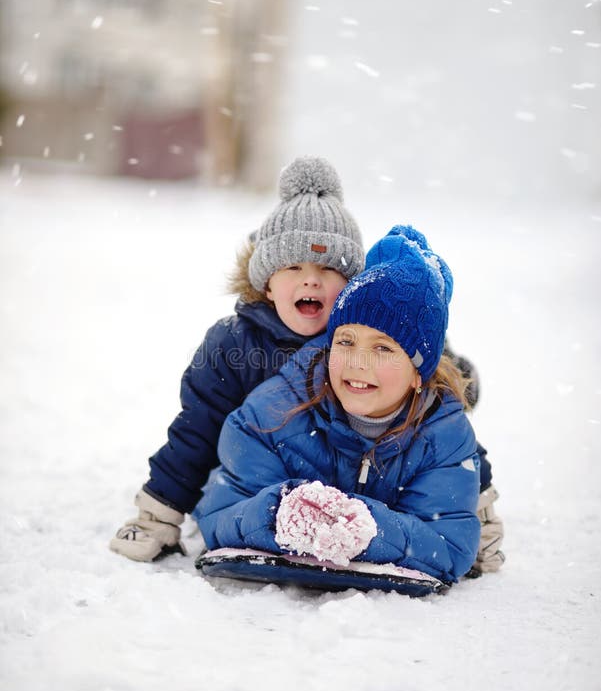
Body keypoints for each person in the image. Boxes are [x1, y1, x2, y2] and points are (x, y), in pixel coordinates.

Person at [110, 156, 365, 561]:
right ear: (266, 284)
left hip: (344, 497)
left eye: (329, 269)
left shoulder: (362, 344)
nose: (311, 279)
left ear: (350, 286)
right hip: (251, 487)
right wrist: (158, 515)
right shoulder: (234, 345)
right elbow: (197, 432)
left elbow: (429, 430)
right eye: (293, 266)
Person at [195, 225, 481, 582]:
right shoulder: (274, 415)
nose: (358, 362)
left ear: (417, 372)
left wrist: (369, 528)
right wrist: (277, 512)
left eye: (382, 348)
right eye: (346, 341)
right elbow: (220, 512)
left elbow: (448, 545)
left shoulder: (443, 436)